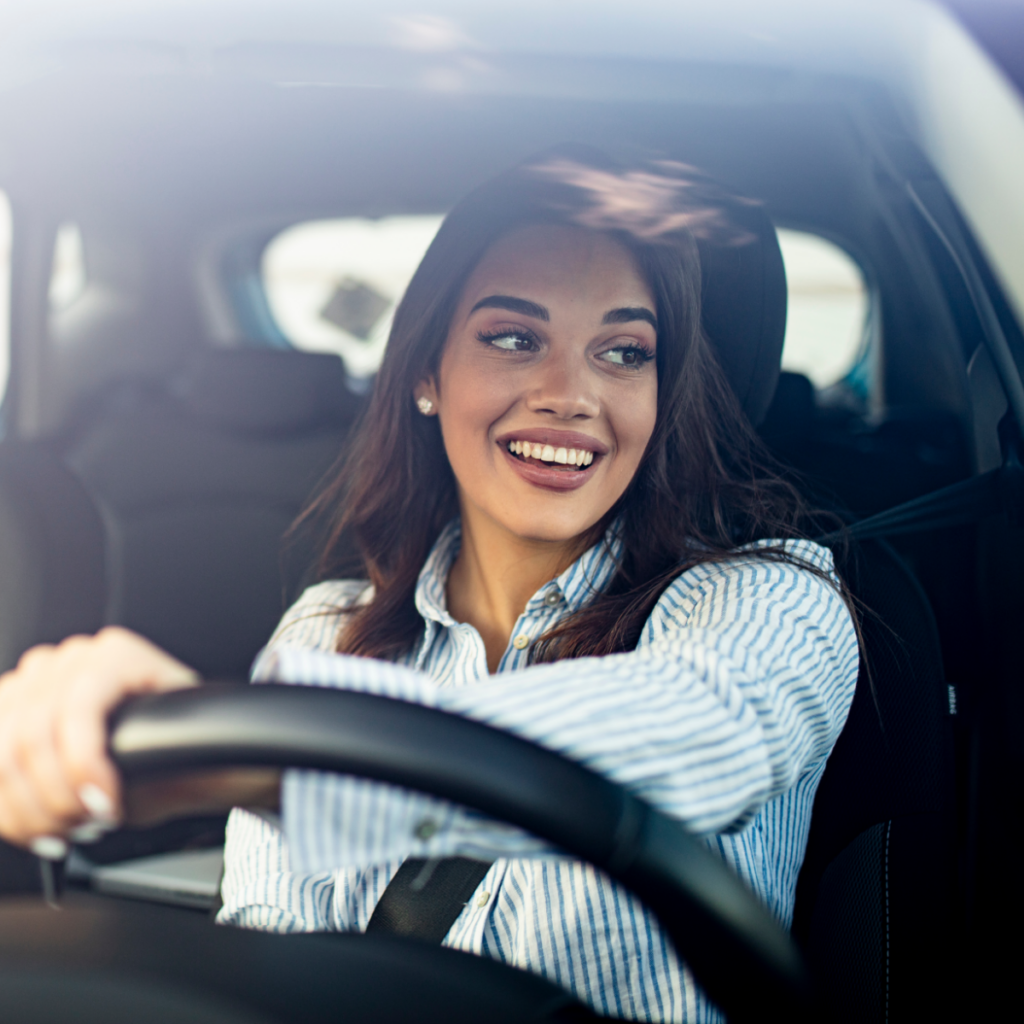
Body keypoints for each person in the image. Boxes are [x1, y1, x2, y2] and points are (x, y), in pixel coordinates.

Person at [0, 155, 859, 1022]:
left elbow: (707, 736)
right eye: (514, 337)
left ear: (662, 393)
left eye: (625, 352)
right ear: (424, 374)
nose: (571, 393)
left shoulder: (772, 599)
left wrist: (271, 765)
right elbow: (268, 955)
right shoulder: (326, 633)